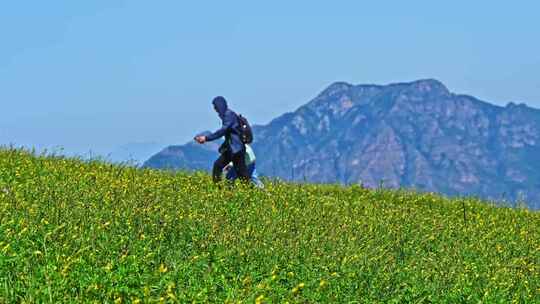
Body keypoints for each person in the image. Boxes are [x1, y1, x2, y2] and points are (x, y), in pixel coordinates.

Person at [195, 96, 250, 183]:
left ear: (220, 105)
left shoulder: (229, 115)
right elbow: (230, 134)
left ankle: (250, 193)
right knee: (218, 166)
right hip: (232, 149)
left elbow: (222, 131)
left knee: (242, 175)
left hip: (237, 150)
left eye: (216, 107)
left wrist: (206, 138)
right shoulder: (226, 115)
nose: (215, 109)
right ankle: (218, 190)